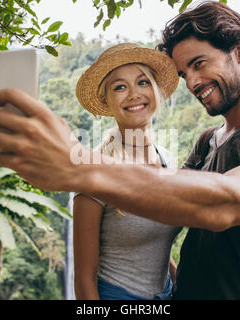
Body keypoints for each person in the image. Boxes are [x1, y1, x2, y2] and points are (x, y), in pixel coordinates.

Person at [0, 1, 240, 299]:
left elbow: (228, 202)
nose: (193, 83)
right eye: (184, 73)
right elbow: (169, 203)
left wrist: (79, 165)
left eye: (200, 64)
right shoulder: (207, 141)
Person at [72, 43, 181, 300]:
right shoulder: (96, 171)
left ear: (157, 90)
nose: (134, 94)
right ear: (104, 100)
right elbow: (84, 282)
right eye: (120, 87)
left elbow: (154, 246)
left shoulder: (167, 160)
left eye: (143, 83)